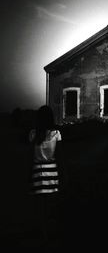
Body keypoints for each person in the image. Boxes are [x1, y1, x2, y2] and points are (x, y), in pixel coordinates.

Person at [28, 105, 63, 245]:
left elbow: (29, 157)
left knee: (40, 207)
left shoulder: (33, 134)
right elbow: (60, 156)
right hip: (52, 173)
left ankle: (43, 235)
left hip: (37, 172)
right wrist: (64, 174)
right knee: (50, 207)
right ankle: (50, 235)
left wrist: (28, 174)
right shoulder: (56, 134)